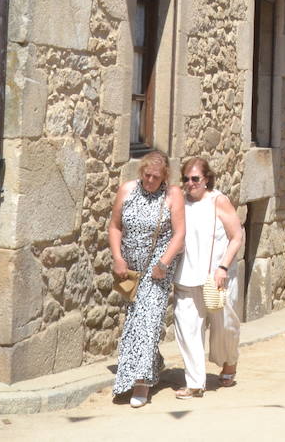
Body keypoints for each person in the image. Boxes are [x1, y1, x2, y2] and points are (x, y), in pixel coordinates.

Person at [109, 150, 185, 407]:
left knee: (148, 320)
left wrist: (164, 263)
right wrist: (118, 258)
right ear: (141, 172)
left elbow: (179, 234)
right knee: (135, 319)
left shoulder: (172, 195)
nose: (150, 181)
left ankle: (140, 382)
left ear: (165, 177)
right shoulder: (127, 190)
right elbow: (115, 226)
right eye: (147, 175)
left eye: (156, 177)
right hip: (132, 267)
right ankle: (153, 362)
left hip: (158, 267)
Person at [173, 156, 244, 399]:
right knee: (187, 327)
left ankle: (229, 361)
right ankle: (195, 382)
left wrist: (223, 267)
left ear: (206, 179)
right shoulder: (179, 202)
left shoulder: (218, 200)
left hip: (216, 276)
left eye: (195, 179)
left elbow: (237, 236)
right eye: (186, 179)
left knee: (224, 326)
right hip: (186, 275)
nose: (190, 183)